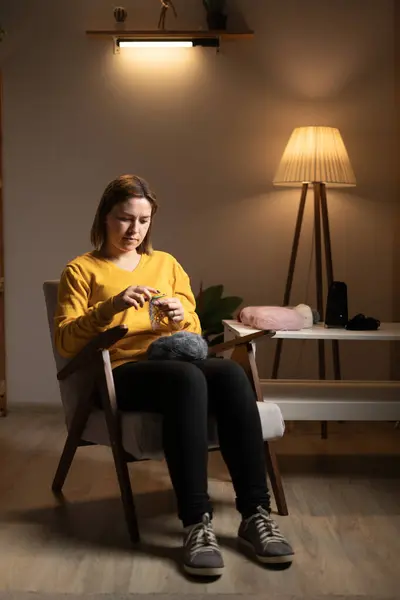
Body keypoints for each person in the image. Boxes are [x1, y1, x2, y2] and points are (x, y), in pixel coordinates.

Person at [54, 174, 294, 577]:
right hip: (121, 372)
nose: (134, 230)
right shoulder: (81, 270)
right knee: (187, 380)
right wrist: (110, 307)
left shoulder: (166, 264)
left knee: (231, 377)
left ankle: (255, 515)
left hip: (173, 361)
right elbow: (65, 341)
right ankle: (196, 522)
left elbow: (194, 331)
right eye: (124, 219)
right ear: (104, 217)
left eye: (143, 220)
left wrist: (184, 316)